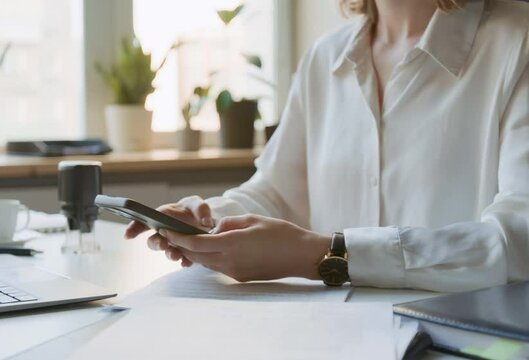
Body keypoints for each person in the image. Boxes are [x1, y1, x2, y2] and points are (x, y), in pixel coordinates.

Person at [126, 0, 529, 292]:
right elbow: (277, 192)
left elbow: (517, 242)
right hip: (327, 339)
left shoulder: (517, 44)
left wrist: (322, 255)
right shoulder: (326, 57)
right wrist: (212, 221)